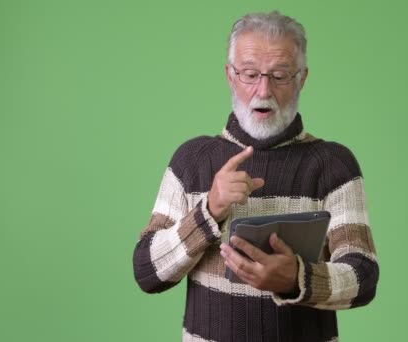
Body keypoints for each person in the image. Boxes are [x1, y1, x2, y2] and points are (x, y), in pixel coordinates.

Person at [133, 11, 379, 342]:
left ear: (301, 78)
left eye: (279, 76)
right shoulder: (191, 161)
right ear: (230, 75)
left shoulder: (333, 166)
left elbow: (363, 277)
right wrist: (209, 211)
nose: (263, 90)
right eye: (250, 74)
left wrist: (296, 278)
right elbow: (147, 271)